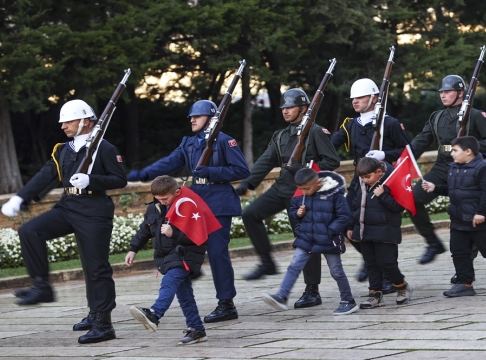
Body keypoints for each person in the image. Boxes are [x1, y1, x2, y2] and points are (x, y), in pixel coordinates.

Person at [0, 99, 127, 344]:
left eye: (68, 121)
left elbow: (119, 179)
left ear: (86, 122)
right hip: (68, 206)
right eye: (63, 122)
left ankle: (102, 322)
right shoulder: (63, 149)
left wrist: (92, 180)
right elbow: (45, 175)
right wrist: (20, 197)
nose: (63, 126)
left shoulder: (105, 148)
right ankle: (41, 286)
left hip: (94, 211)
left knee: (96, 268)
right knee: (30, 231)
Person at [126, 100, 250, 323]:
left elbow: (241, 170)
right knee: (181, 250)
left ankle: (226, 303)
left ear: (212, 118)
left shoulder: (224, 141)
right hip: (194, 202)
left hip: (218, 203)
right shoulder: (189, 142)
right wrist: (143, 174)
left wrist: (211, 171)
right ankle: (183, 307)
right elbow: (170, 162)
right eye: (192, 116)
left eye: (198, 116)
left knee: (216, 253)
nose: (192, 119)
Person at [235, 89, 340, 309]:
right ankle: (267, 262)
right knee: (250, 214)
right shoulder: (281, 135)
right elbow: (265, 160)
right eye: (283, 108)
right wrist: (248, 183)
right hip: (282, 187)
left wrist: (303, 170)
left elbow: (332, 161)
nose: (285, 111)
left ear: (303, 108)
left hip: (302, 191)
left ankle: (312, 290)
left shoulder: (317, 132)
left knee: (305, 239)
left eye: (290, 107)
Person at [411, 75, 486, 265]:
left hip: (469, 170)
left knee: (465, 217)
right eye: (441, 92)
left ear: (460, 93)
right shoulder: (437, 117)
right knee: (413, 200)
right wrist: (402, 158)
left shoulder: (476, 115)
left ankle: (466, 267)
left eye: (447, 92)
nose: (443, 96)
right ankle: (433, 243)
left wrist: (469, 147)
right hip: (442, 167)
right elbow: (420, 141)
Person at [330, 78, 411, 288]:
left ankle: (388, 276)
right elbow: (330, 146)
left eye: (360, 97)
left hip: (383, 179)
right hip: (360, 181)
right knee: (346, 223)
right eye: (353, 98)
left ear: (374, 98)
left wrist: (385, 154)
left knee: (383, 228)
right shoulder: (351, 125)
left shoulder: (389, 123)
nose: (355, 102)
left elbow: (406, 151)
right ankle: (371, 260)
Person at [422, 136, 486, 297]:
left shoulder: (484, 169)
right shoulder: (454, 168)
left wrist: (481, 212)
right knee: (459, 252)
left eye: (455, 150)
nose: (452, 154)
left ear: (468, 151)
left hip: (482, 220)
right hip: (458, 219)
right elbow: (452, 189)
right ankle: (465, 283)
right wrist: (435, 188)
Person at [262, 168, 358, 315]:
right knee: (294, 265)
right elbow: (293, 210)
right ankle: (282, 296)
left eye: (306, 188)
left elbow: (344, 216)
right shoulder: (302, 194)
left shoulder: (335, 195)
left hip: (328, 239)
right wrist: (297, 213)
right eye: (300, 189)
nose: (304, 192)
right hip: (307, 237)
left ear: (318, 183)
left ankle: (348, 301)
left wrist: (330, 231)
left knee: (336, 272)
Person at [125, 176, 208, 345]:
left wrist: (174, 233)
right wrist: (133, 249)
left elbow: (198, 234)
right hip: (166, 257)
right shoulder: (153, 209)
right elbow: (144, 231)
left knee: (168, 282)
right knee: (185, 295)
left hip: (185, 255)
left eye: (165, 199)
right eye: (158, 199)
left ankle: (155, 313)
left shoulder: (187, 206)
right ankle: (196, 329)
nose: (162, 202)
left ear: (177, 192)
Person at [347, 157, 413, 308]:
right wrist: (351, 226)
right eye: (362, 177)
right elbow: (354, 207)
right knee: (371, 264)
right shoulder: (361, 185)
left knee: (387, 263)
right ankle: (375, 295)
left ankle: (401, 286)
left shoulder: (391, 181)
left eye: (367, 177)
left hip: (386, 232)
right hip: (365, 231)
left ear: (379, 172)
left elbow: (398, 207)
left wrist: (382, 195)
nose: (364, 180)